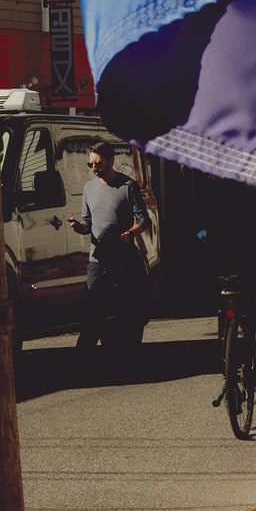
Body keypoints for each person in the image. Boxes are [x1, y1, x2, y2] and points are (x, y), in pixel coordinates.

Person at [71, 140, 149, 354]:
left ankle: (125, 353)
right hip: (97, 260)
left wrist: (130, 233)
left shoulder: (127, 186)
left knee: (125, 311)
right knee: (92, 310)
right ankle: (81, 360)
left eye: (98, 164)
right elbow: (88, 223)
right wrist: (79, 227)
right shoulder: (89, 188)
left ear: (111, 161)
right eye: (91, 164)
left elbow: (144, 220)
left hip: (122, 259)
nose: (94, 168)